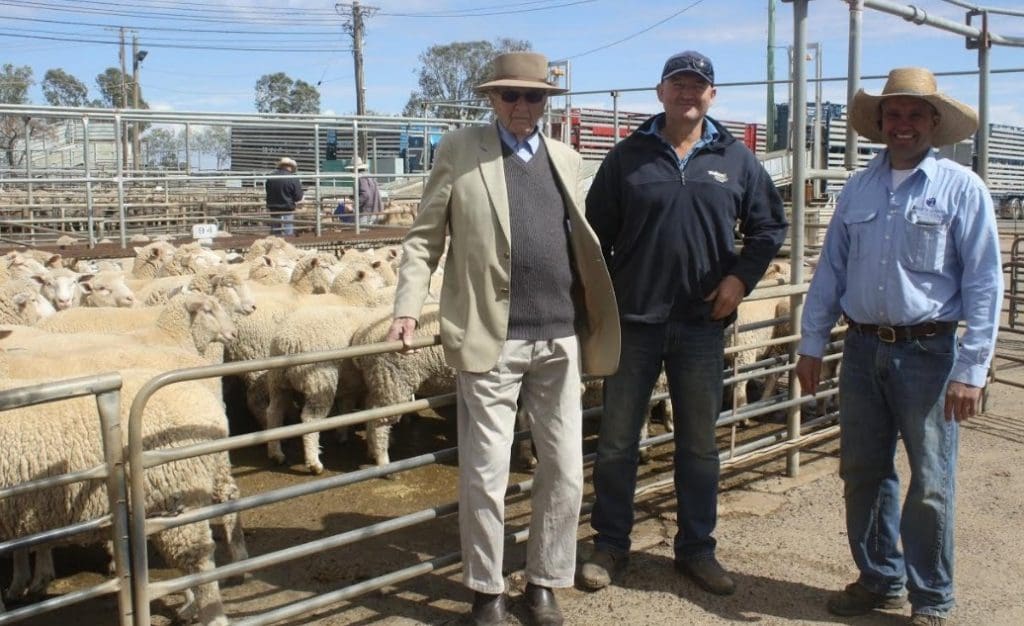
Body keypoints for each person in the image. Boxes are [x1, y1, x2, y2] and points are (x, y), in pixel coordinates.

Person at [387, 51, 620, 626]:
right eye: (511, 96)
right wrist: (406, 309)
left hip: (560, 338)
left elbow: (581, 241)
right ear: (491, 98)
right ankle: (487, 592)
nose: (522, 106)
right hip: (491, 337)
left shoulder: (566, 158)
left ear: (546, 102)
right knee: (487, 472)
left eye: (534, 96)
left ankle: (544, 582)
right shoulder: (460, 151)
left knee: (564, 468)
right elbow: (423, 240)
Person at [794, 67, 1003, 626]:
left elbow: (984, 281)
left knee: (931, 481)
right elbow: (830, 271)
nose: (903, 123)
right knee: (862, 470)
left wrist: (973, 367)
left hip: (931, 354)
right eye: (894, 113)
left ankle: (931, 597)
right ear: (880, 122)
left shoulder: (961, 188)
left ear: (935, 123)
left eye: (915, 114)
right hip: (861, 351)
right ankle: (879, 579)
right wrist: (812, 342)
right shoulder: (859, 189)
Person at [581, 50, 788, 596]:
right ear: (660, 91)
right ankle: (610, 545)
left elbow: (769, 227)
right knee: (619, 441)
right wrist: (595, 303)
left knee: (699, 444)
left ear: (712, 96)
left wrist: (741, 280)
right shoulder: (627, 157)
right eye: (678, 84)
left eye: (698, 86)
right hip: (634, 322)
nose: (687, 94)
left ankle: (696, 549)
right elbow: (592, 236)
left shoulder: (737, 159)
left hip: (702, 323)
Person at [265, 156, 303, 236]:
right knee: (288, 230)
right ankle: (287, 244)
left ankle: (275, 245)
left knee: (275, 231)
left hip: (274, 208)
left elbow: (268, 191)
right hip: (287, 208)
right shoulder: (293, 178)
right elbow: (298, 197)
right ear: (291, 167)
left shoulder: (270, 177)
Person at [350, 156, 383, 225]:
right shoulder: (370, 176)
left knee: (361, 232)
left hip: (365, 212)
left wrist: (355, 204)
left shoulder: (360, 178)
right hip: (374, 210)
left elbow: (365, 194)